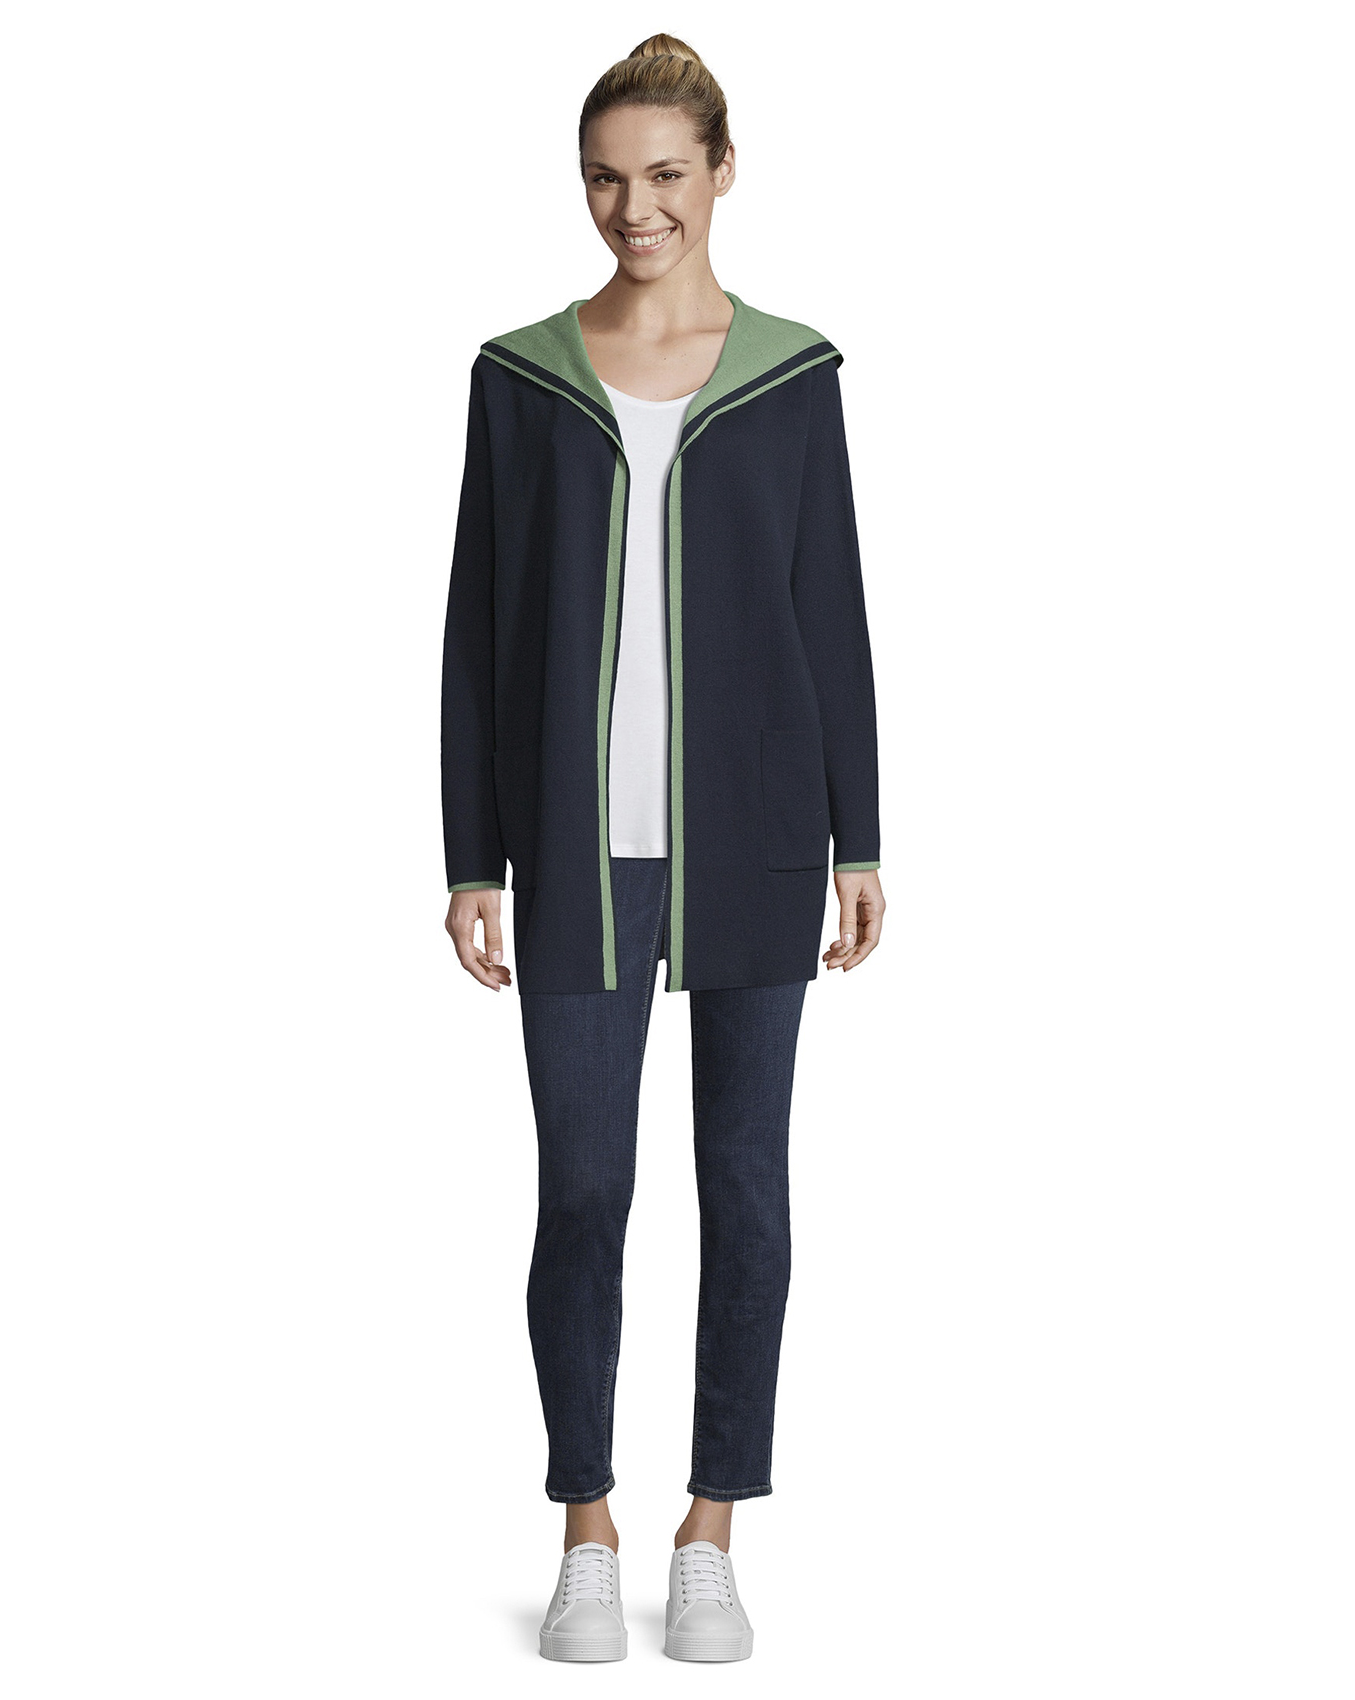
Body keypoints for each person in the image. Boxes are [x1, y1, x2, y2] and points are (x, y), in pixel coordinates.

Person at [440, 34, 883, 1663]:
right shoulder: (520, 376)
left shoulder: (789, 372)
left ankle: (711, 1529)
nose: (637, 208)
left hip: (755, 838)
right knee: (585, 1191)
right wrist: (472, 858)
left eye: (668, 175)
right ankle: (585, 1526)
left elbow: (830, 604)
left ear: (724, 171)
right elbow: (478, 627)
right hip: (574, 850)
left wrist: (860, 832)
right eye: (608, 178)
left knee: (745, 1191)